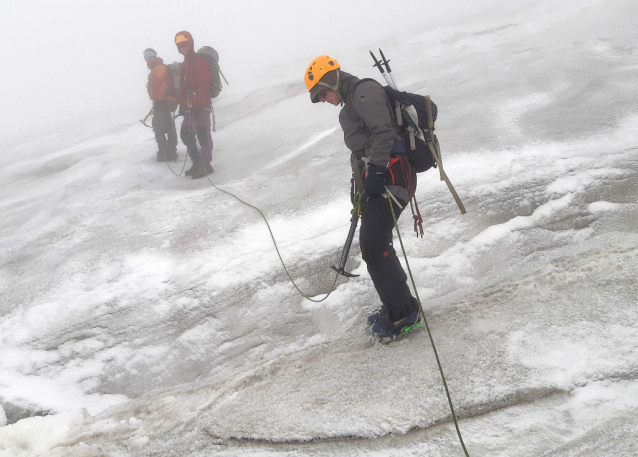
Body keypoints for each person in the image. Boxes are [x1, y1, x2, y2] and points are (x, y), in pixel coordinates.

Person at [304, 55, 420, 338]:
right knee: (373, 244)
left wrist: (378, 171)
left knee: (374, 244)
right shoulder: (353, 99)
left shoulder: (364, 91)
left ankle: (404, 311)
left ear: (332, 79)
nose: (325, 100)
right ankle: (395, 305)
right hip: (380, 178)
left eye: (323, 92)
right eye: (319, 97)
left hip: (393, 176)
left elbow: (383, 131)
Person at [174, 31, 214, 179]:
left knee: (202, 134)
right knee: (186, 134)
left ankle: (206, 164)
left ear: (190, 44)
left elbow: (203, 85)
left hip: (202, 105)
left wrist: (197, 104)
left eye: (185, 45)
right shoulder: (184, 65)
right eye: (180, 46)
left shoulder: (199, 61)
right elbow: (182, 87)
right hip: (190, 106)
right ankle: (197, 162)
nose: (183, 48)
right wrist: (183, 105)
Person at [143, 48, 178, 162]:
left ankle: (166, 153)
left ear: (155, 56)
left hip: (163, 104)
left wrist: (159, 101)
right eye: (146, 57)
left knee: (159, 127)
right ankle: (170, 151)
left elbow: (163, 86)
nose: (148, 59)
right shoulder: (157, 68)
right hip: (165, 103)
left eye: (149, 56)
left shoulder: (159, 68)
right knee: (167, 126)